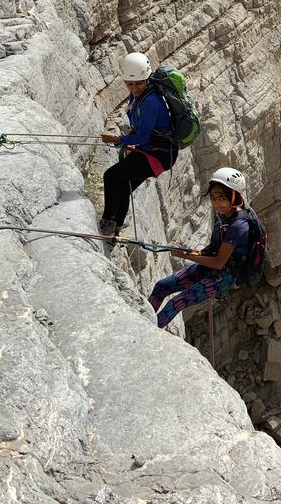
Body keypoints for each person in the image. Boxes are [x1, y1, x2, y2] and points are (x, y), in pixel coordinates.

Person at [149, 168, 251, 328]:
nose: (217, 203)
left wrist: (183, 255)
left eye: (222, 198)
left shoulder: (240, 226)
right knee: (162, 286)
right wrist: (187, 250)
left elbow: (219, 262)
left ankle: (148, 332)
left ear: (234, 196)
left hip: (224, 278)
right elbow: (213, 249)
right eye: (213, 198)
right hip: (211, 267)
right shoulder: (225, 214)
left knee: (177, 302)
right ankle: (143, 318)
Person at [99, 52, 178, 237]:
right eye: (130, 83)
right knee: (123, 187)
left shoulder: (151, 101)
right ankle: (115, 228)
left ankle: (108, 222)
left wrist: (119, 140)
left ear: (147, 78)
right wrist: (130, 135)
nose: (134, 88)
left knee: (111, 176)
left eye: (138, 83)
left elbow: (143, 136)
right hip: (155, 151)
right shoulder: (142, 94)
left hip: (157, 155)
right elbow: (143, 129)